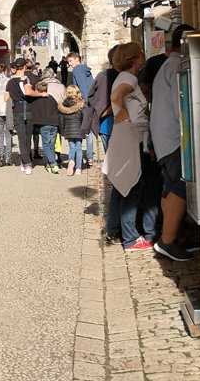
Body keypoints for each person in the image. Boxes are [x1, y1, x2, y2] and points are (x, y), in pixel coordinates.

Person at [102, 42, 159, 252]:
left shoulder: (125, 78)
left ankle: (116, 229)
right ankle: (131, 238)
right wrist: (122, 112)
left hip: (129, 137)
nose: (145, 56)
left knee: (123, 187)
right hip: (130, 138)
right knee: (131, 186)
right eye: (141, 54)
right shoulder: (130, 78)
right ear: (134, 58)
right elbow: (116, 96)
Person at [150, 24, 196, 261]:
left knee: (170, 187)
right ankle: (167, 240)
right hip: (175, 137)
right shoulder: (178, 66)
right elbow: (181, 103)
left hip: (162, 138)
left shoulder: (166, 65)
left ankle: (174, 237)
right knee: (181, 185)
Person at [81, 45, 121, 242]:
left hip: (109, 129)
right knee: (120, 180)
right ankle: (115, 226)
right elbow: (104, 105)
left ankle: (117, 225)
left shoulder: (104, 75)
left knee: (118, 179)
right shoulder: (110, 76)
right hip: (112, 128)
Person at [4, 58, 46, 175]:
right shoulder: (26, 79)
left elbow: (6, 98)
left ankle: (25, 162)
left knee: (21, 138)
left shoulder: (10, 82)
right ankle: (27, 163)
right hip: (28, 108)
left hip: (16, 110)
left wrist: (15, 95)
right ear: (24, 67)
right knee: (27, 137)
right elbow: (28, 93)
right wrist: (41, 94)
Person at [66, 52, 94, 166]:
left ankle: (78, 157)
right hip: (90, 102)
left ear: (77, 59)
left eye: (70, 61)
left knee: (80, 129)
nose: (69, 64)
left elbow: (81, 86)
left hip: (83, 102)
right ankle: (90, 157)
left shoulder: (77, 70)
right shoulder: (86, 69)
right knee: (89, 131)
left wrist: (82, 101)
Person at [33, 80, 61, 174]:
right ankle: (49, 164)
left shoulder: (36, 100)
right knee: (51, 144)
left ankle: (53, 163)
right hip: (54, 123)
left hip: (44, 124)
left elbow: (34, 112)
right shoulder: (51, 98)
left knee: (46, 144)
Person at [60, 85, 86, 176]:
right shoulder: (81, 104)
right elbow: (84, 118)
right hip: (79, 129)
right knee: (79, 148)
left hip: (68, 129)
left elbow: (61, 119)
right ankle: (78, 168)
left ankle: (71, 161)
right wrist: (85, 129)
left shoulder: (63, 105)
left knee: (72, 148)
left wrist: (62, 131)